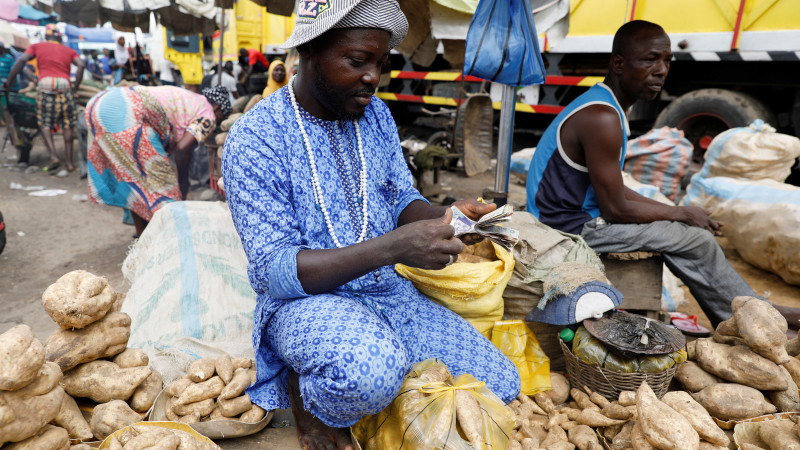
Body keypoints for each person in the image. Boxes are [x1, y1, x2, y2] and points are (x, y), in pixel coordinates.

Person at [222, 1, 521, 448]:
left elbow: (400, 198)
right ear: (309, 51)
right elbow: (275, 272)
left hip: (386, 292)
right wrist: (395, 248)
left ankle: (375, 391)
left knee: (501, 382)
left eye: (380, 63)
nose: (372, 77)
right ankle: (307, 398)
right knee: (369, 373)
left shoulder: (375, 115)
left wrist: (450, 218)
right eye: (357, 61)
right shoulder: (255, 139)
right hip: (304, 304)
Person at [525, 20, 800, 329]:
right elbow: (615, 208)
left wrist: (676, 213)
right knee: (694, 240)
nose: (661, 69)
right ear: (618, 63)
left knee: (683, 231)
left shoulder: (606, 107)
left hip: (574, 219)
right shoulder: (601, 117)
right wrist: (682, 214)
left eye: (667, 60)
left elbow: (618, 190)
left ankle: (746, 314)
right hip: (567, 229)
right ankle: (753, 317)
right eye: (650, 59)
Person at [85, 85, 231, 236]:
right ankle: (172, 242)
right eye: (222, 116)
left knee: (136, 184)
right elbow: (182, 150)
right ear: (217, 107)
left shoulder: (191, 99)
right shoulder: (208, 114)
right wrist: (183, 181)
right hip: (126, 110)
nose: (218, 124)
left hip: (99, 103)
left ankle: (143, 240)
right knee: (168, 191)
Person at [4, 26, 85, 173]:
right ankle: (69, 162)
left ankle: (54, 156)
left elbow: (21, 60)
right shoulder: (69, 50)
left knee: (44, 123)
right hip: (65, 85)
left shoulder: (36, 46)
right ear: (59, 37)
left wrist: (9, 83)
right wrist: (75, 88)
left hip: (45, 85)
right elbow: (81, 65)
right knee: (67, 124)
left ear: (46, 37)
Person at [0, 41, 22, 158]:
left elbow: (14, 74)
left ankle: (15, 135)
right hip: (2, 93)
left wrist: (8, 87)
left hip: (11, 91)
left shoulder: (8, 59)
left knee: (9, 111)